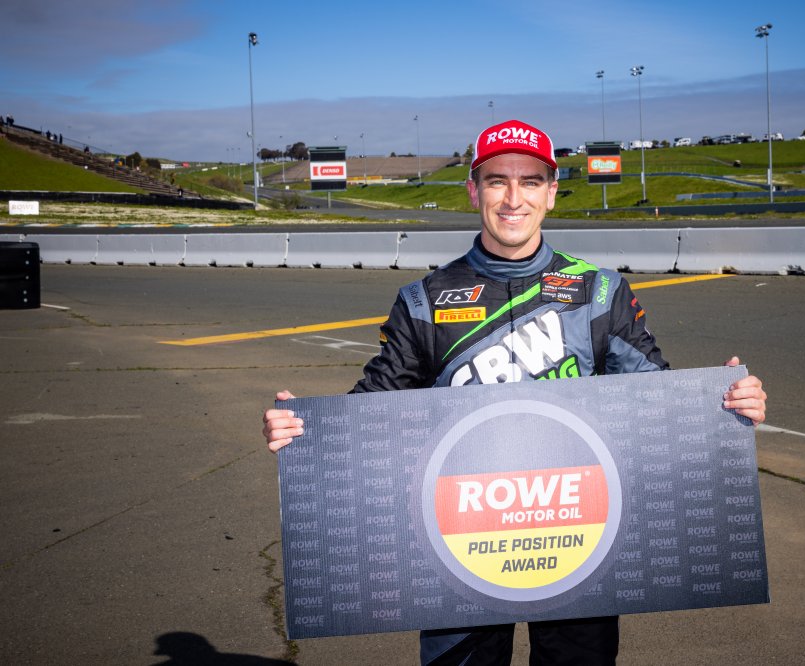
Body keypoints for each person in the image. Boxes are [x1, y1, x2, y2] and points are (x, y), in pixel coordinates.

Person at [263, 119, 767, 665]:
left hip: (578, 531)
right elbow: (370, 409)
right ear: (473, 191)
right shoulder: (424, 300)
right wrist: (303, 431)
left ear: (551, 192)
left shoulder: (599, 291)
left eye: (530, 181)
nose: (513, 198)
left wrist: (723, 406)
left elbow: (657, 401)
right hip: (460, 539)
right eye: (497, 181)